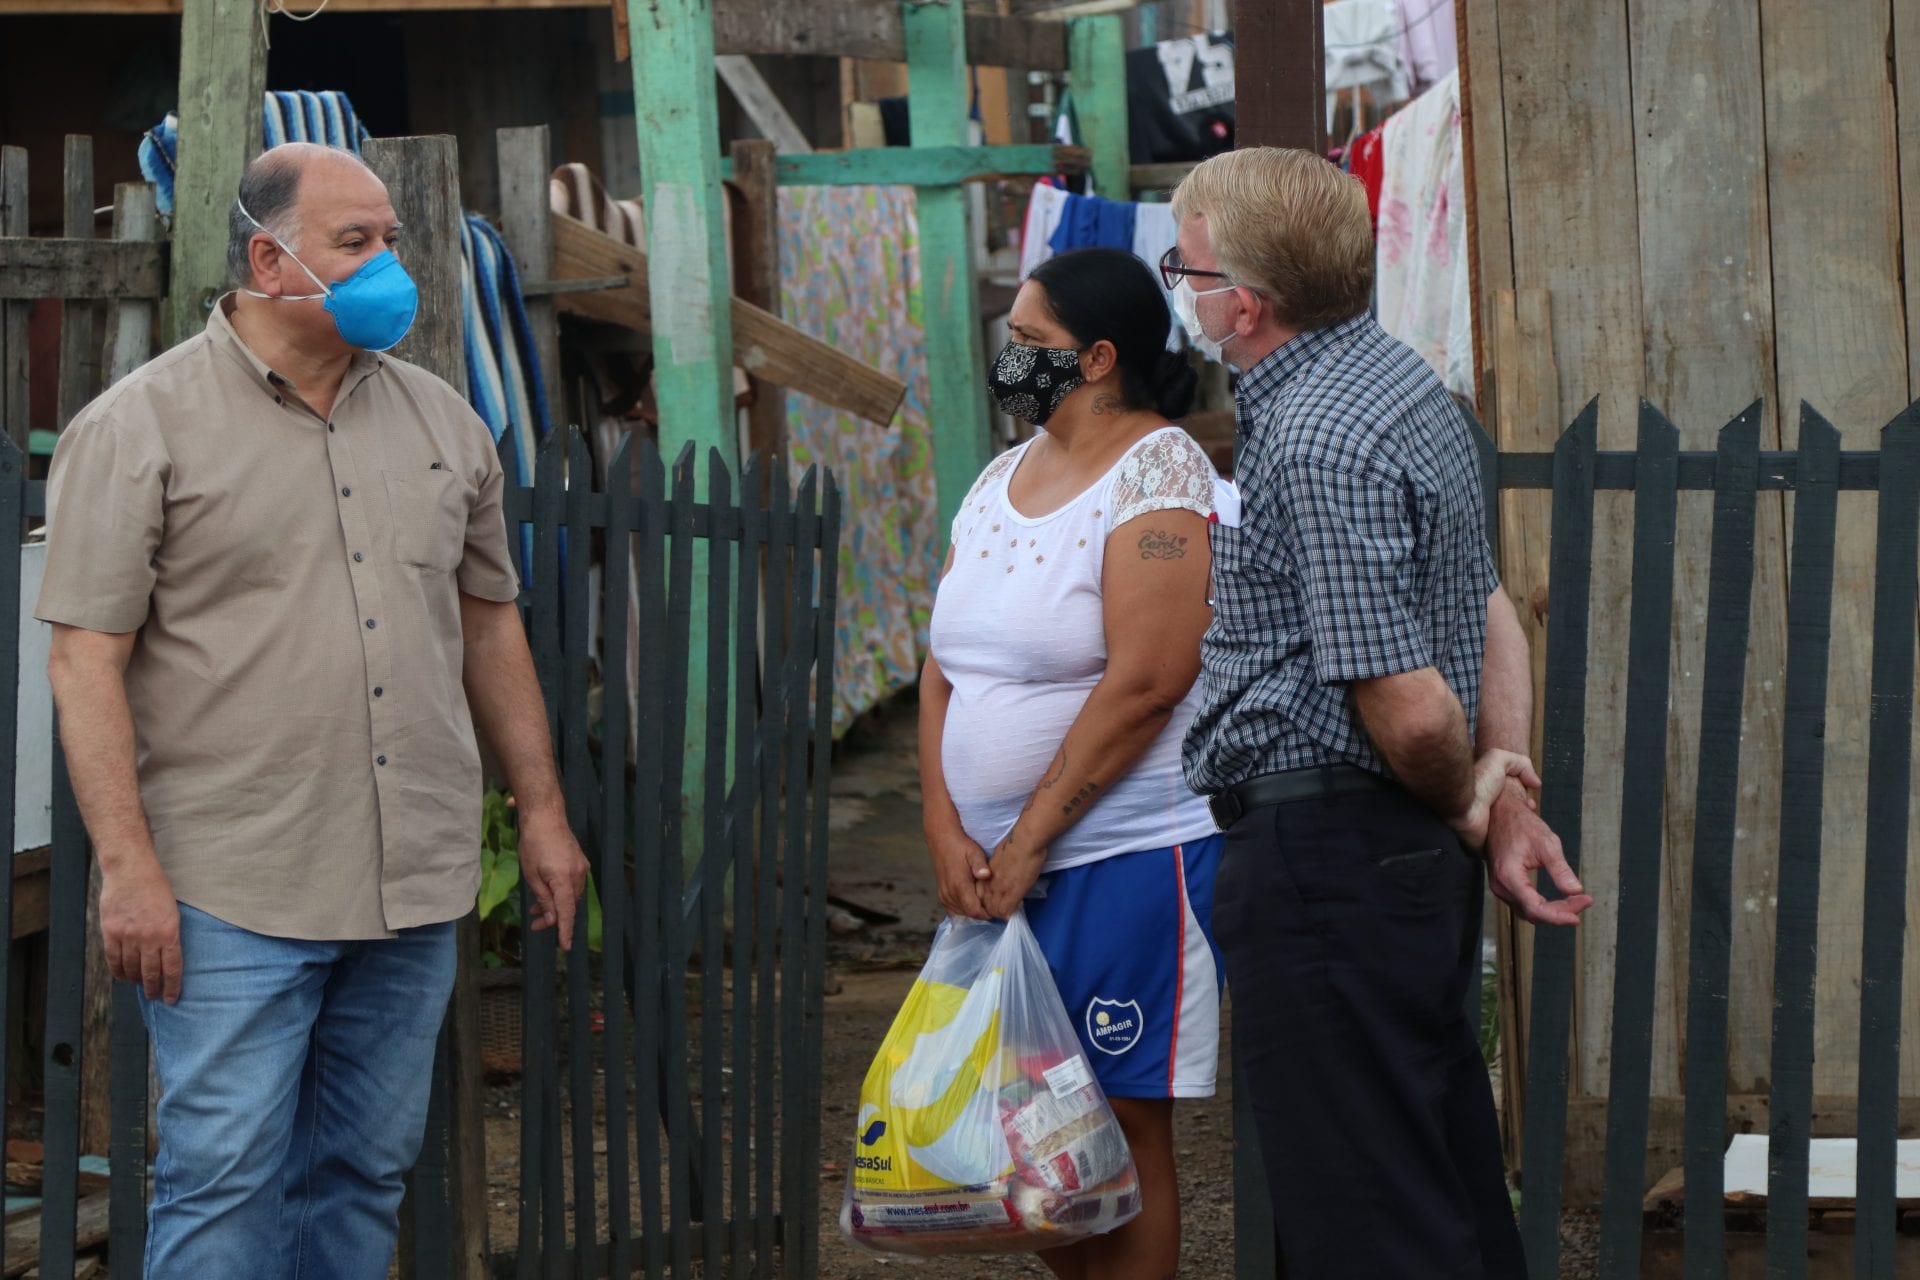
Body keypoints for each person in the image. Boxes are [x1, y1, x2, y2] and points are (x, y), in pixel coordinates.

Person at [36, 142, 589, 1278]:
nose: (392, 262)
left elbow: (490, 625)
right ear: (267, 258)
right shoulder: (137, 427)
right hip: (233, 883)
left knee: (361, 1170)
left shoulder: (445, 425)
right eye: (358, 242)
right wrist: (127, 868)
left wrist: (541, 806)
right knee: (223, 1178)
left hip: (412, 875)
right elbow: (85, 661)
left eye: (392, 238)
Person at [1171, 147, 1593, 1279]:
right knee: (1428, 1178)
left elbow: (1406, 710)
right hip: (1378, 853)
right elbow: (1484, 601)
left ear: (1243, 303)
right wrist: (1498, 792)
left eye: (1188, 267)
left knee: (1365, 1215)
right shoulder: (1406, 385)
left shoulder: (1315, 433)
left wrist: (1468, 795)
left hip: (1331, 855)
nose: (1187, 289)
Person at [919, 248, 1220, 1280]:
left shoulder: (1162, 472)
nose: (1010, 358)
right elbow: (942, 665)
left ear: (1097, 358)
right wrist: (945, 827)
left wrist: (1030, 834)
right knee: (1033, 1132)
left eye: (1030, 341)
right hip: (997, 870)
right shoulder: (1000, 477)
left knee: (1119, 1125)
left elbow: (1149, 678)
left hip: (1127, 857)